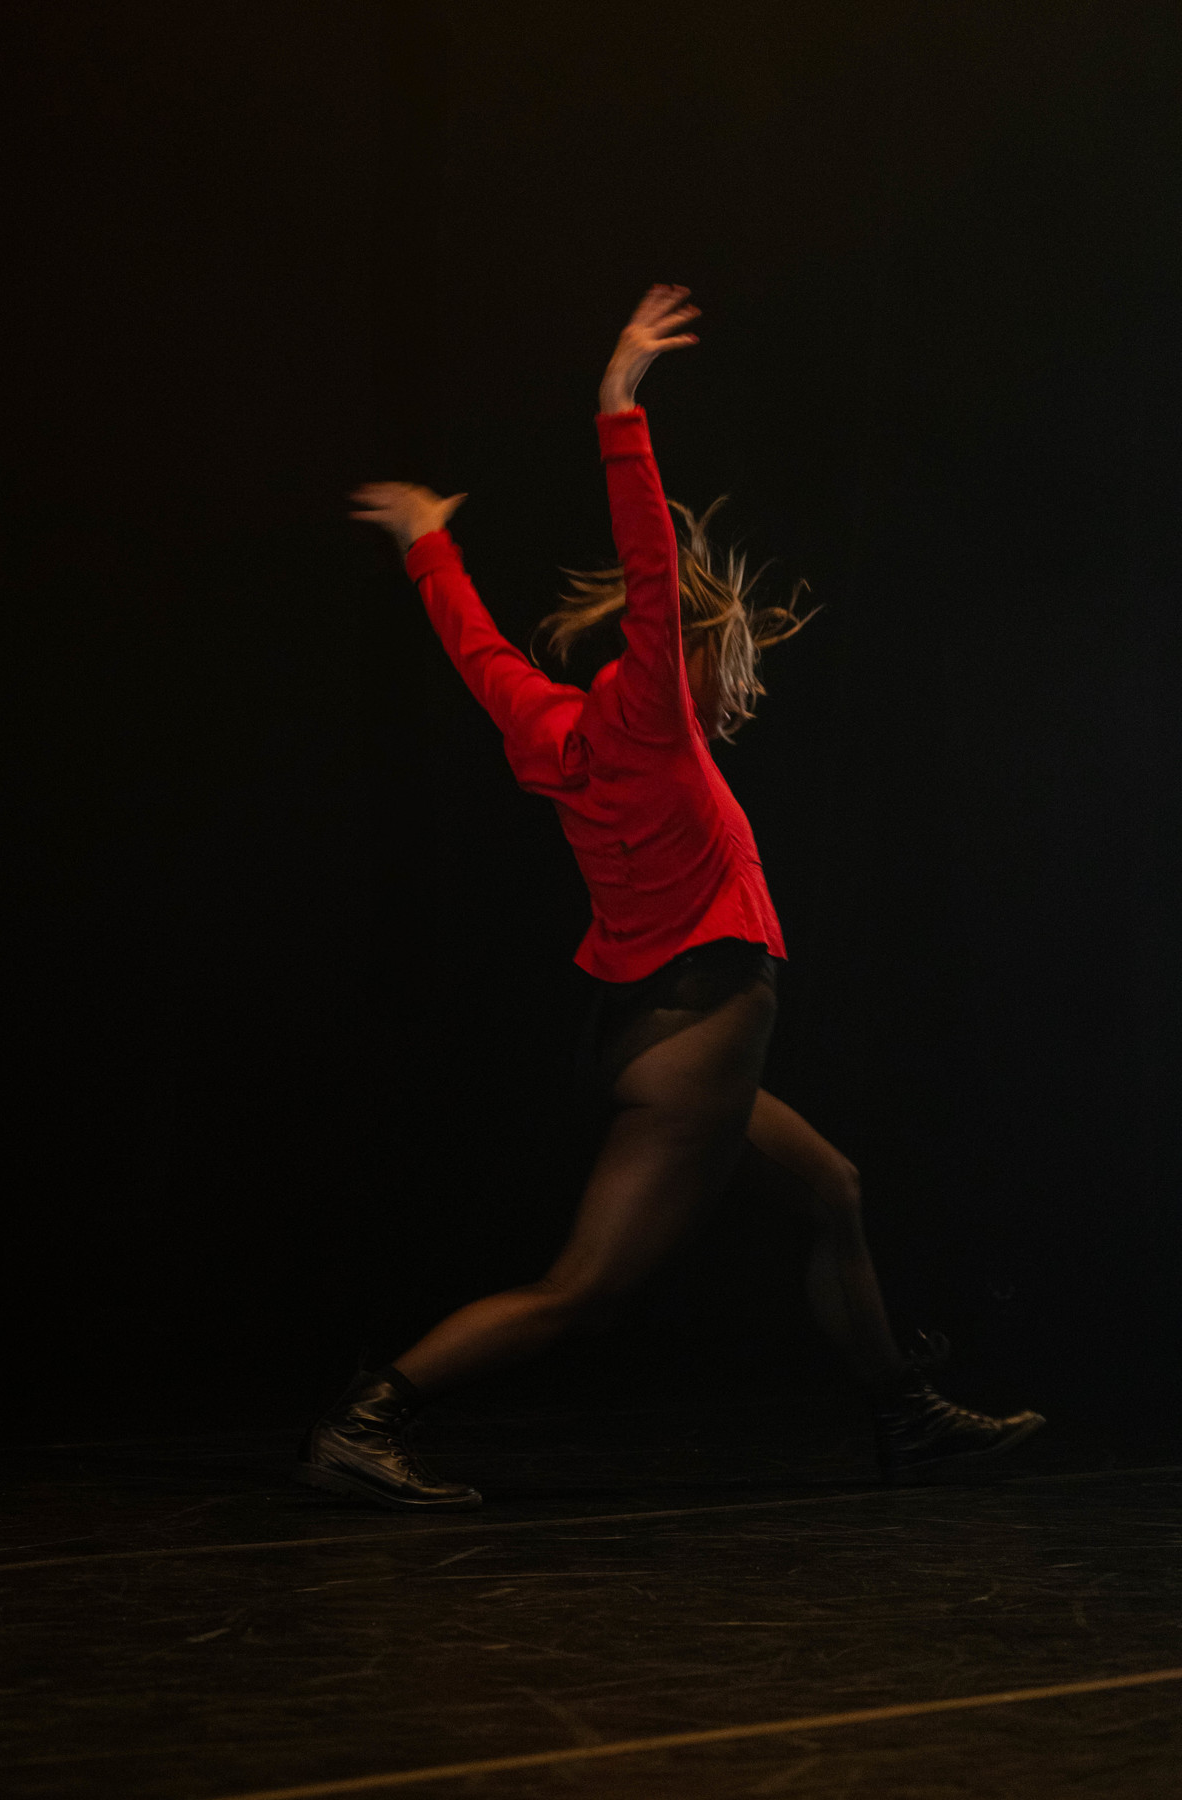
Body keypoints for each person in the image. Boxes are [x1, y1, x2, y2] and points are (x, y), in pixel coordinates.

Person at [298, 286, 1043, 1510]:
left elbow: (476, 646)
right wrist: (618, 406)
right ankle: (370, 1417)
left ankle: (905, 1417)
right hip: (697, 1034)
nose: (736, 682)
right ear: (679, 657)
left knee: (832, 1188)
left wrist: (427, 539)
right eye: (725, 659)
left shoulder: (553, 726)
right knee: (586, 1290)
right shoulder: (652, 718)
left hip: (653, 1027)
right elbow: (654, 568)